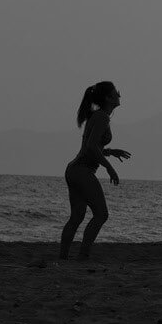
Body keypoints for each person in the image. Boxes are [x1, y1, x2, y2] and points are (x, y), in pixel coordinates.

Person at [59, 81, 131, 260]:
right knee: (101, 214)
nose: (119, 96)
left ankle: (63, 258)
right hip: (82, 171)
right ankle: (82, 257)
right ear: (108, 98)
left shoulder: (98, 116)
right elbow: (91, 147)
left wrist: (110, 152)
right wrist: (109, 168)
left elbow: (91, 147)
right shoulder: (101, 117)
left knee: (77, 216)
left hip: (74, 170)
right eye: (116, 93)